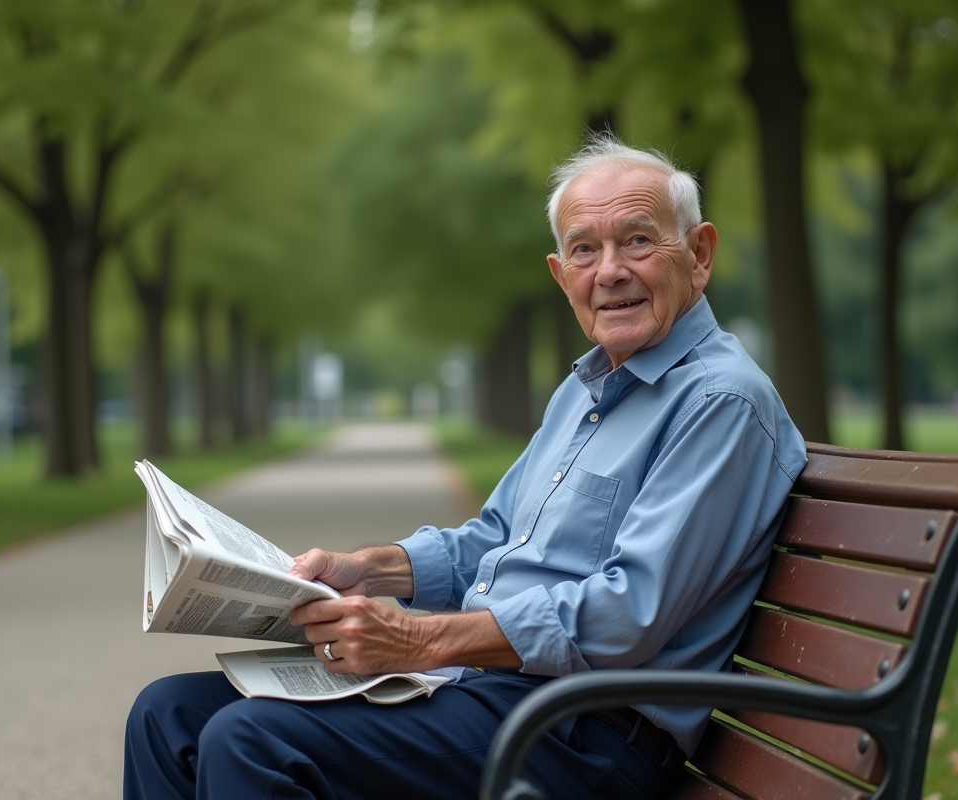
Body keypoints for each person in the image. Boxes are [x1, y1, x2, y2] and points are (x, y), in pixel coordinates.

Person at [124, 134, 806, 800]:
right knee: (167, 716)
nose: (609, 271)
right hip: (493, 692)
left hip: (585, 733)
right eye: (584, 250)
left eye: (636, 240)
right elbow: (495, 536)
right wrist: (369, 567)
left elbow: (627, 614)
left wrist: (421, 641)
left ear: (700, 253)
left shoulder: (721, 402)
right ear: (559, 272)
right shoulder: (584, 391)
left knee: (254, 740)